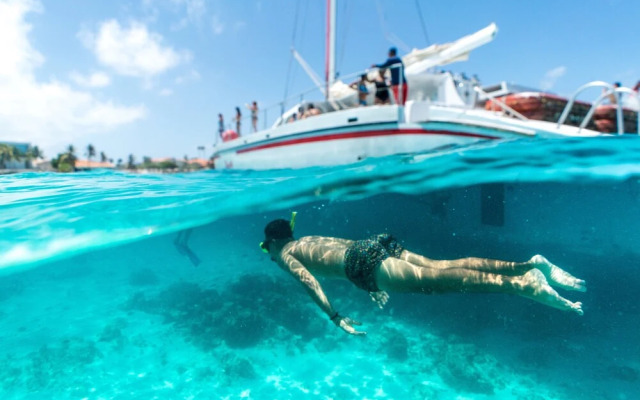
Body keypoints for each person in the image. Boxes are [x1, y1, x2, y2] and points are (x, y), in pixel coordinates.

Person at [260, 216, 586, 336]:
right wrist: (368, 287)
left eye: (266, 250)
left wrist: (334, 317)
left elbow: (310, 281)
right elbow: (340, 258)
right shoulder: (307, 240)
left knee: (439, 283)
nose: (270, 256)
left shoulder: (287, 253)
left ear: (274, 242)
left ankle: (523, 285)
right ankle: (526, 266)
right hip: (373, 246)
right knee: (442, 266)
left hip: (364, 264)